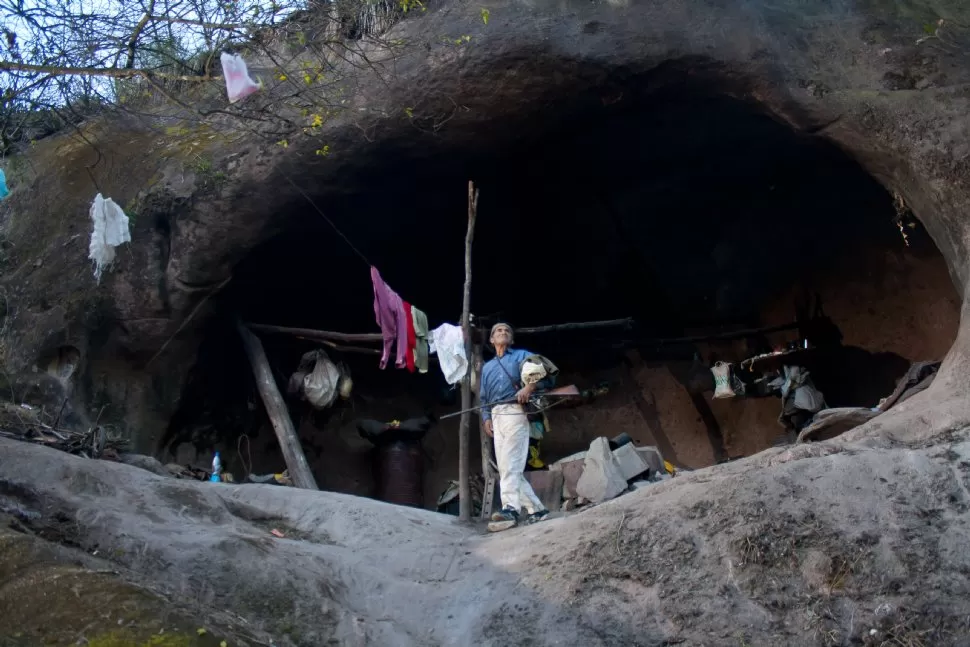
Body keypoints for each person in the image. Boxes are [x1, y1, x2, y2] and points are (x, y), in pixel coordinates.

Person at [480, 322, 554, 528]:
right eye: (498, 331)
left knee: (511, 463)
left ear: (511, 339)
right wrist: (486, 417)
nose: (502, 333)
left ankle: (510, 509)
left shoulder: (521, 355)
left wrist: (529, 388)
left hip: (515, 411)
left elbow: (544, 372)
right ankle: (538, 510)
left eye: (507, 331)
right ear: (492, 340)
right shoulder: (487, 367)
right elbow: (484, 397)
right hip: (496, 415)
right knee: (506, 467)